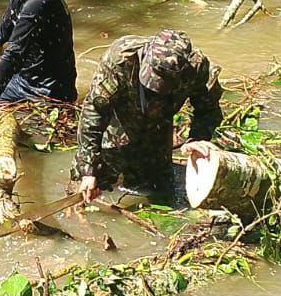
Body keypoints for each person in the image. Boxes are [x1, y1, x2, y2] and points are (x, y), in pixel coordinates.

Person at [75, 30, 223, 201]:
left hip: (158, 132)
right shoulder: (120, 60)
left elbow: (209, 109)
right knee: (84, 191)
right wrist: (88, 169)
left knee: (160, 193)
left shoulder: (198, 69)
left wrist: (197, 138)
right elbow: (94, 112)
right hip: (119, 126)